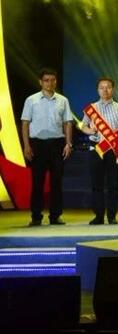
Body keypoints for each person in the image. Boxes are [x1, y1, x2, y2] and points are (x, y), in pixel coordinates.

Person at [20, 68, 73, 226]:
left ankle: (55, 216)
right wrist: (26, 145)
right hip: (37, 144)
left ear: (56, 81)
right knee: (37, 182)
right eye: (46, 80)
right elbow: (25, 123)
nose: (50, 83)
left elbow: (67, 123)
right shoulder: (31, 100)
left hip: (57, 144)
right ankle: (36, 216)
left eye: (52, 80)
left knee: (57, 182)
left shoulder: (63, 100)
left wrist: (68, 144)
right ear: (40, 82)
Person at [80, 77, 118, 225]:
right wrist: (90, 130)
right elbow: (83, 126)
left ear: (112, 89)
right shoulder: (92, 109)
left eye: (108, 87)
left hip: (113, 149)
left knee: (113, 184)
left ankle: (112, 216)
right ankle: (99, 216)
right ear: (98, 90)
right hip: (96, 148)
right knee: (97, 184)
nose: (105, 90)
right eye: (102, 87)